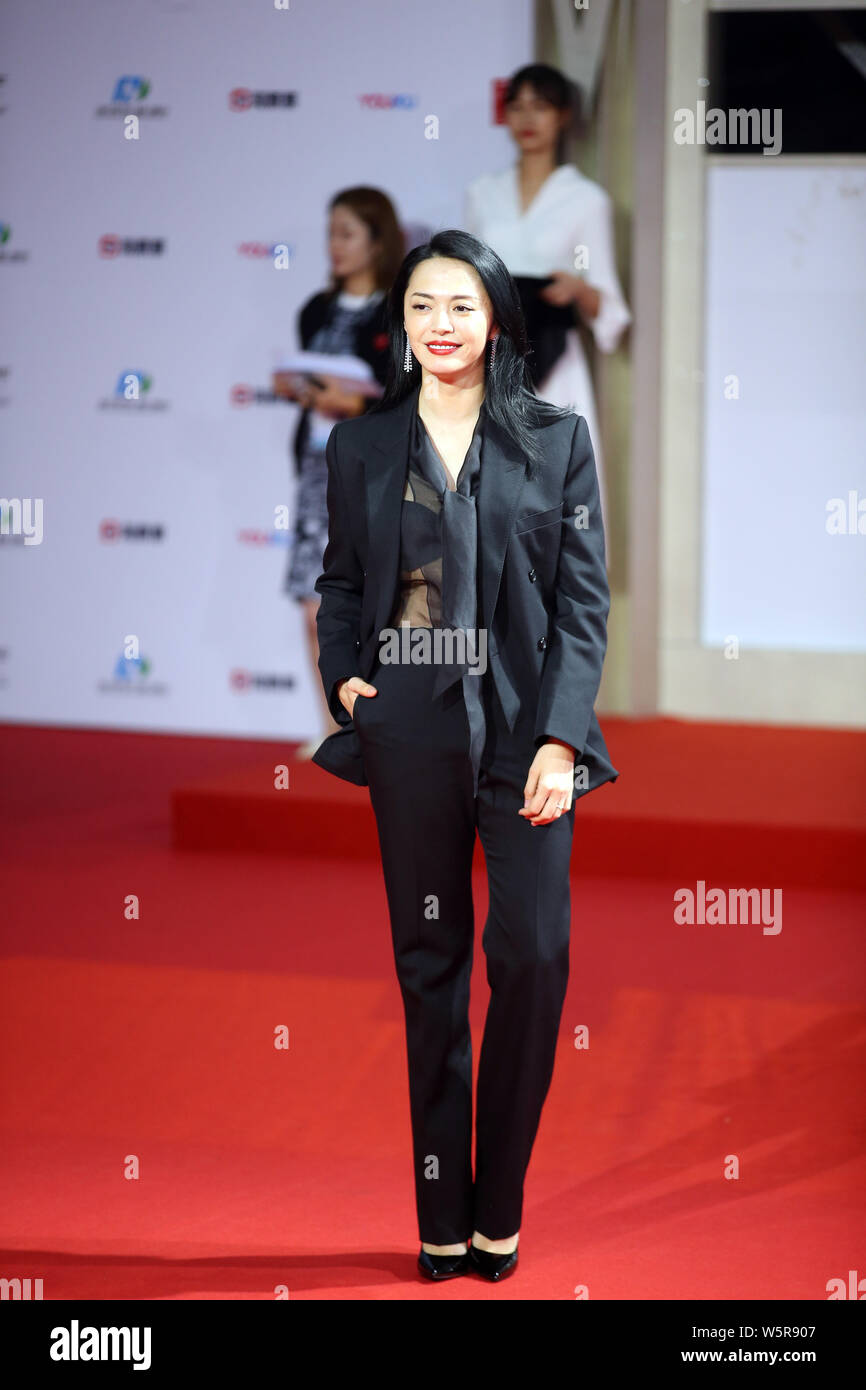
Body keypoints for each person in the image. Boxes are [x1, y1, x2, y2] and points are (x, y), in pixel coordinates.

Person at [311, 229, 618, 1283]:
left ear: (495, 320)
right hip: (412, 727)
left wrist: (559, 739)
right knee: (427, 971)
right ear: (400, 324)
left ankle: (502, 1201)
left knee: (532, 957)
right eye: (420, 308)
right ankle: (443, 1216)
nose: (439, 326)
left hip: (528, 730)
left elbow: (582, 609)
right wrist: (347, 676)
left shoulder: (554, 437)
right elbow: (343, 580)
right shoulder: (360, 445)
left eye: (459, 306)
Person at [463, 63, 631, 544]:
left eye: (540, 107)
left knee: (555, 493)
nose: (527, 119)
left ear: (563, 116)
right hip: (491, 359)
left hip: (555, 360)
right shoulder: (483, 194)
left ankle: (557, 608)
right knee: (486, 492)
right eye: (516, 107)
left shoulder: (584, 199)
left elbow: (610, 306)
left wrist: (576, 289)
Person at [273, 187, 402, 757]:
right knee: (314, 601)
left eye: (348, 233)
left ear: (377, 241)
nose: (335, 246)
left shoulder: (399, 311)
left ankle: (381, 728)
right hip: (316, 470)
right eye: (331, 233)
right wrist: (299, 390)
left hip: (376, 473)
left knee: (382, 604)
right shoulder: (315, 309)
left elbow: (406, 395)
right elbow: (311, 381)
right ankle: (333, 728)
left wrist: (355, 406)